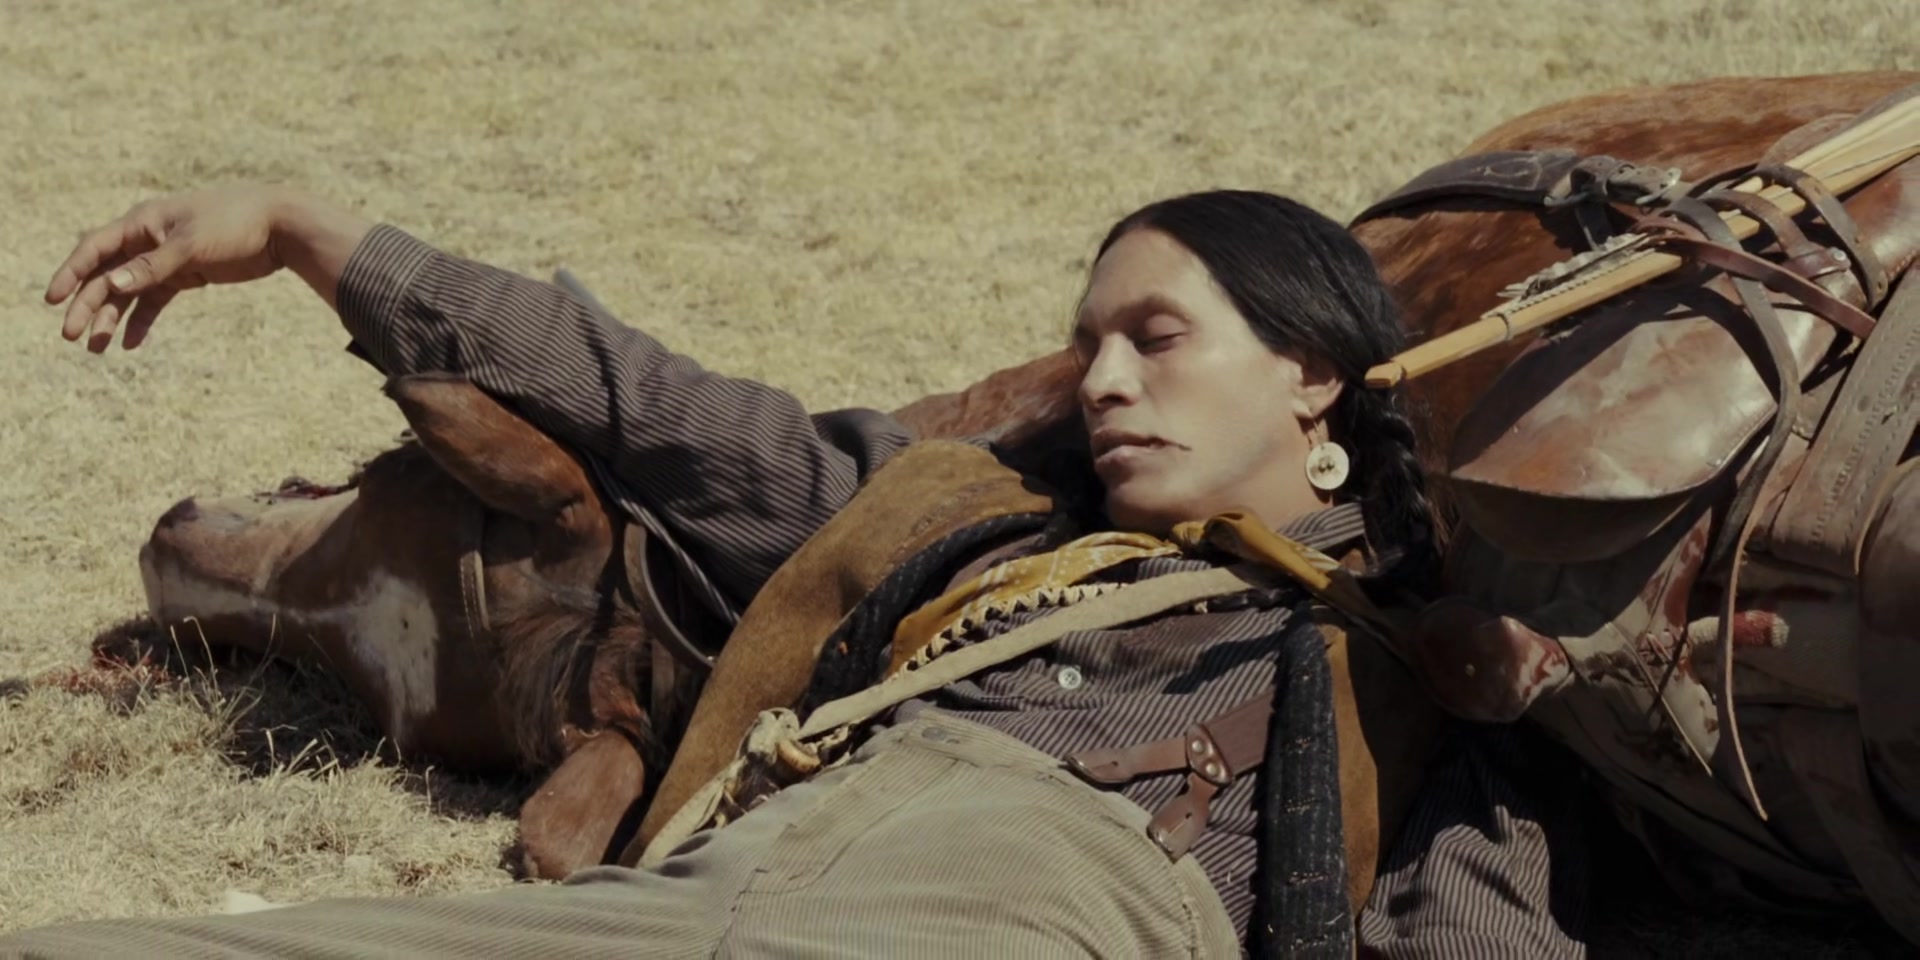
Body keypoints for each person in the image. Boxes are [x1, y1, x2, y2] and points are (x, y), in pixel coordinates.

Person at [8, 185, 1589, 958]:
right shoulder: (965, 514)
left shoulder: (1413, 659)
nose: (1104, 380)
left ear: (1312, 376)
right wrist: (308, 232)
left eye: (1157, 339)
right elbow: (645, 400)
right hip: (706, 892)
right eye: (1091, 343)